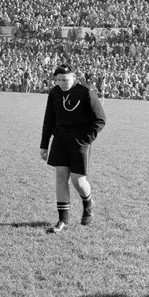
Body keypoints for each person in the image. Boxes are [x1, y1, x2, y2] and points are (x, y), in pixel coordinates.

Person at [40, 64, 106, 233]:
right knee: (61, 178)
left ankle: (88, 204)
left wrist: (85, 140)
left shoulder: (86, 92)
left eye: (66, 79)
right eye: (59, 80)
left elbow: (100, 119)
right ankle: (63, 221)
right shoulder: (54, 93)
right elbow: (48, 119)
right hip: (60, 140)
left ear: (74, 78)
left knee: (78, 180)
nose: (62, 83)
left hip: (80, 142)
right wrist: (44, 144)